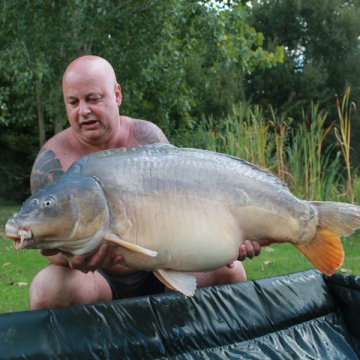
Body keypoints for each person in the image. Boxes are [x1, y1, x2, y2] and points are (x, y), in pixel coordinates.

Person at [29, 55, 261, 309]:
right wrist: (70, 258)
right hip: (97, 278)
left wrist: (227, 240)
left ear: (116, 95)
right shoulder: (52, 162)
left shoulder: (146, 138)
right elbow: (48, 246)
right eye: (73, 102)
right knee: (46, 289)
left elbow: (185, 210)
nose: (83, 111)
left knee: (231, 272)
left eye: (93, 99)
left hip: (161, 267)